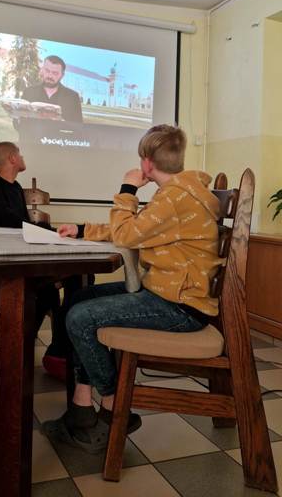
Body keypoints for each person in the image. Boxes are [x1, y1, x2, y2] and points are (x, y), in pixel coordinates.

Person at [42, 124, 222, 453]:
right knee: (80, 298)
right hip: (169, 295)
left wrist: (128, 188)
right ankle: (82, 407)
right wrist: (82, 229)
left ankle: (114, 405)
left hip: (179, 307)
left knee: (80, 317)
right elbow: (137, 229)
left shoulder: (175, 198)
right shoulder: (179, 193)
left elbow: (126, 235)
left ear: (147, 162)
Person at [0, 141, 90, 380]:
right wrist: (45, 229)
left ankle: (61, 348)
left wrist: (48, 232)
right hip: (1, 262)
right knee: (46, 291)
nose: (23, 157)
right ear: (12, 158)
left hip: (24, 256)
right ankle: (22, 348)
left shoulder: (16, 187)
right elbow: (7, 221)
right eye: (20, 154)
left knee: (79, 275)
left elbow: (22, 226)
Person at [21, 55, 83, 123]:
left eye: (55, 73)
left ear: (62, 75)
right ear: (42, 70)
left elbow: (78, 126)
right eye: (47, 71)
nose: (50, 76)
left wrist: (62, 122)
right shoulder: (29, 92)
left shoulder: (72, 97)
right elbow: (19, 124)